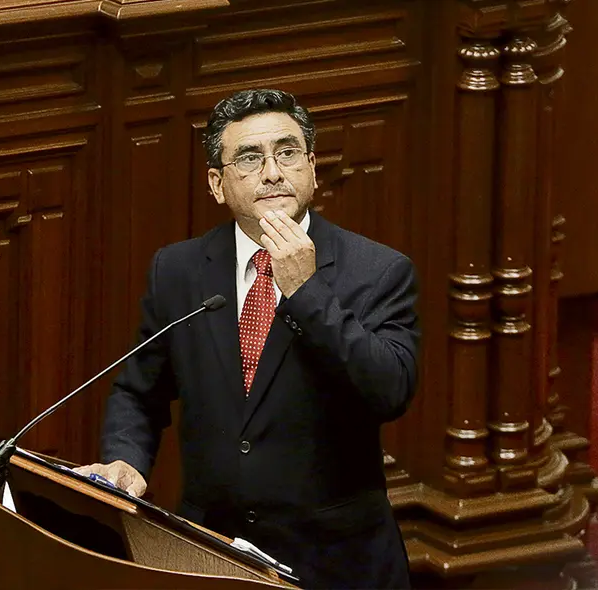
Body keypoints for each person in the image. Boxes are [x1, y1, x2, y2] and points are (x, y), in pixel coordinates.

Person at [77, 88, 419, 589]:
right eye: (250, 158)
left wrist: (306, 293)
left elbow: (390, 390)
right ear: (217, 184)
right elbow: (139, 390)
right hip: (212, 553)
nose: (273, 172)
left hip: (336, 561)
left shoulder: (379, 270)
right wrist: (126, 460)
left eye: (287, 153)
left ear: (312, 169)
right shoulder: (179, 269)